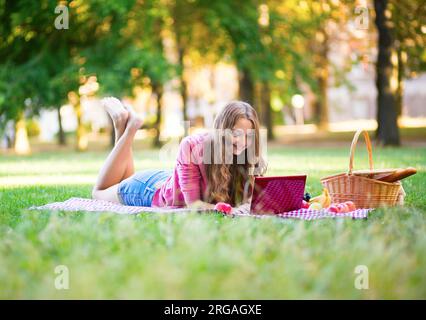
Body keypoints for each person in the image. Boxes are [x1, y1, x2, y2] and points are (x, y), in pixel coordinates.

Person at [92, 97, 266, 212]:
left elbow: (248, 199)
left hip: (166, 180)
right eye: (235, 134)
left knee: (123, 178)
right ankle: (129, 128)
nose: (242, 141)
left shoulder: (246, 155)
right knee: (99, 193)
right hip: (147, 190)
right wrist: (227, 210)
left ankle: (121, 122)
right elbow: (194, 206)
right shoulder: (192, 145)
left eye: (248, 135)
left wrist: (244, 206)